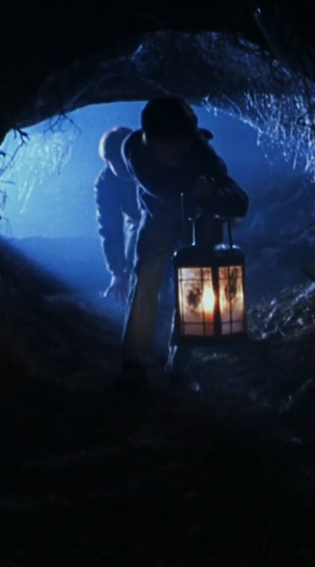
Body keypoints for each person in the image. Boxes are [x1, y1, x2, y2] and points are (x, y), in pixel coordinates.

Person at [119, 98, 248, 387]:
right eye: (169, 147)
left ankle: (179, 367)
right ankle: (133, 365)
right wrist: (198, 192)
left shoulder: (201, 154)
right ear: (150, 139)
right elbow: (161, 189)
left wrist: (211, 198)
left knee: (194, 286)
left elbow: (237, 199)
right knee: (146, 282)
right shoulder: (136, 151)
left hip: (198, 222)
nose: (176, 154)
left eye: (183, 146)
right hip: (159, 219)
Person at [94, 126, 140, 303]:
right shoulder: (106, 183)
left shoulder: (153, 164)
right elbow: (110, 227)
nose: (125, 168)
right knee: (136, 263)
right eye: (118, 163)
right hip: (137, 221)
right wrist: (118, 272)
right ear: (107, 161)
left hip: (172, 216)